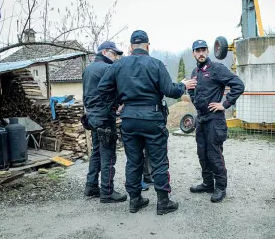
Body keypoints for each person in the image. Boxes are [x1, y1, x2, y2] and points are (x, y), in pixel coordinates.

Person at [98, 30, 196, 215]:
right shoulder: (155, 64)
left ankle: (135, 200)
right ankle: (163, 202)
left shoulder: (119, 65)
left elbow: (103, 88)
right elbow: (170, 90)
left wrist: (117, 104)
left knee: (133, 161)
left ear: (130, 47)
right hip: (152, 118)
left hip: (129, 119)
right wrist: (183, 85)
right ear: (147, 46)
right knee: (158, 161)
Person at [188, 39, 244, 203]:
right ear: (193, 53)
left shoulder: (216, 68)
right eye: (197, 51)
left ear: (208, 51)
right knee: (202, 153)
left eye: (204, 50)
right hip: (201, 119)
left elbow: (238, 85)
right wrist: (196, 102)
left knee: (214, 154)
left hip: (215, 119)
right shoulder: (194, 73)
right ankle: (207, 183)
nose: (201, 53)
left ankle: (220, 187)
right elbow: (192, 92)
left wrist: (224, 104)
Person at [82, 41, 127, 204]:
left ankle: (91, 186)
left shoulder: (87, 70)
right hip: (104, 117)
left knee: (96, 152)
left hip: (91, 118)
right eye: (114, 54)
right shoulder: (107, 69)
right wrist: (118, 105)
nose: (115, 57)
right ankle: (107, 192)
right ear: (104, 52)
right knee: (108, 154)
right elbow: (116, 92)